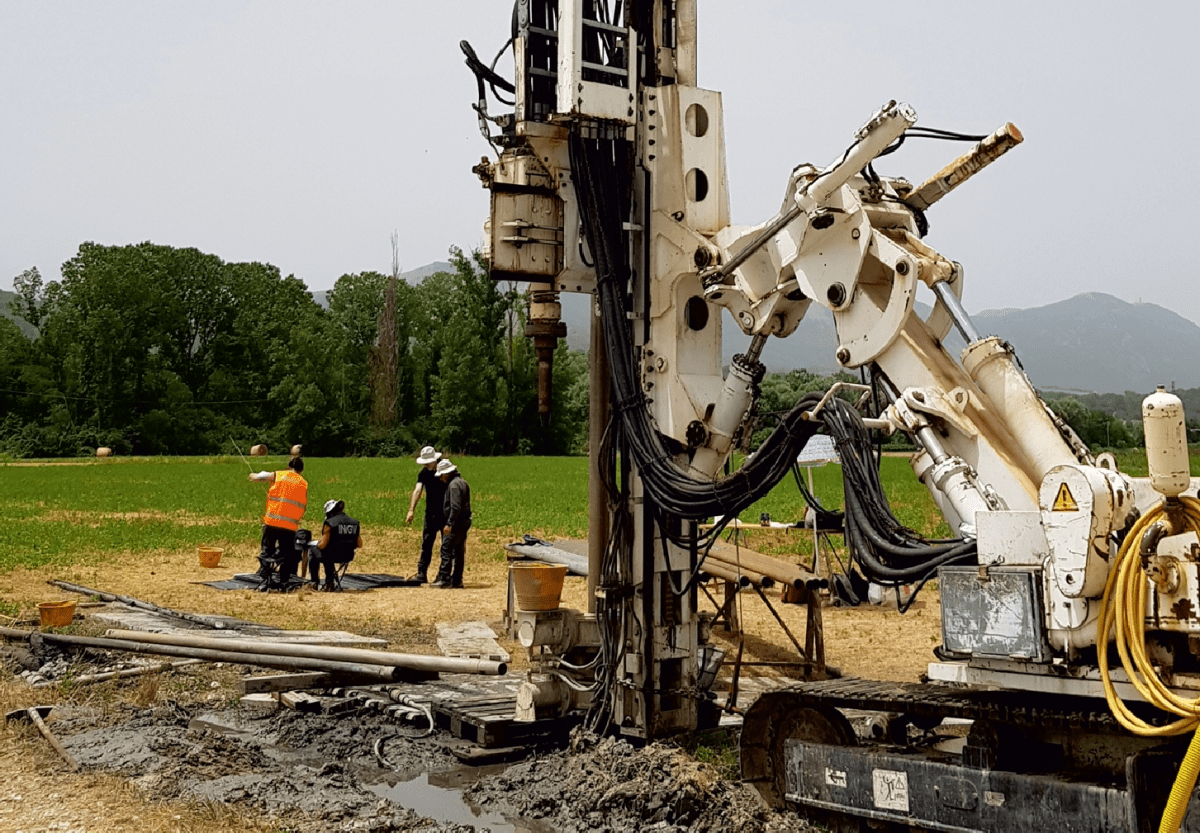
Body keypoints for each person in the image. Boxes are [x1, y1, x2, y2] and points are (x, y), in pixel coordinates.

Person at [249, 456, 308, 591]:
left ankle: (264, 580)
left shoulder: (280, 475)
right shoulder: (303, 483)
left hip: (272, 521)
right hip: (290, 526)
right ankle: (284, 582)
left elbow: (261, 476)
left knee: (267, 551)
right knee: (286, 555)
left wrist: (252, 475)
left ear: (289, 467)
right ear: (301, 470)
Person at [404, 445, 447, 584]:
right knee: (427, 543)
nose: (426, 464)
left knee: (446, 545)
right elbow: (417, 491)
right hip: (430, 513)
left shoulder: (446, 469)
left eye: (428, 462)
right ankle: (422, 573)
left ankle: (443, 574)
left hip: (446, 513)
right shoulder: (424, 473)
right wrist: (411, 510)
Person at [431, 458, 471, 588]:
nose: (441, 479)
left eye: (441, 475)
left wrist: (449, 523)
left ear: (446, 473)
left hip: (456, 523)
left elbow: (455, 507)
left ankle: (445, 579)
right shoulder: (463, 482)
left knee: (446, 549)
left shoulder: (453, 485)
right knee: (459, 551)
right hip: (464, 522)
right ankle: (457, 580)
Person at [308, 498, 362, 591]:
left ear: (329, 513)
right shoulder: (354, 523)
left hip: (332, 556)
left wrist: (316, 544)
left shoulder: (330, 523)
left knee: (314, 551)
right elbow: (359, 544)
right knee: (328, 553)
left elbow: (322, 545)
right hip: (347, 556)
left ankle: (316, 583)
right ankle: (329, 583)